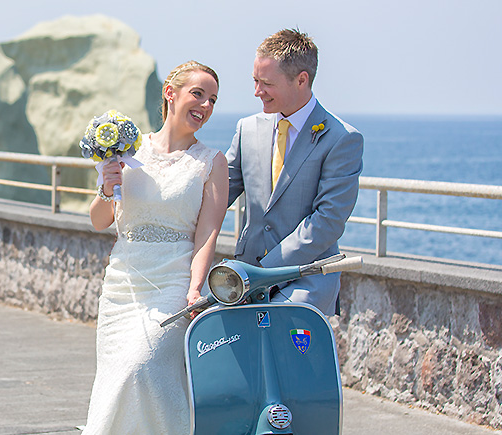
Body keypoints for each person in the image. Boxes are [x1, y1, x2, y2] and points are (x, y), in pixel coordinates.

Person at [82, 60, 228, 434]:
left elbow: (208, 233)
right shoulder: (130, 151)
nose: (206, 106)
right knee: (116, 380)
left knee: (142, 370)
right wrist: (106, 185)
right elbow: (100, 220)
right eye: (198, 94)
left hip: (172, 286)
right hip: (122, 287)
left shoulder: (212, 162)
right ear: (170, 94)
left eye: (212, 100)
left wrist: (196, 288)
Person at [226, 29, 363, 316]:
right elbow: (218, 193)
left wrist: (265, 270)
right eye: (255, 80)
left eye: (267, 83)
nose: (257, 92)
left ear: (301, 80)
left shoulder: (342, 139)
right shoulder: (247, 129)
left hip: (306, 281)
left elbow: (328, 221)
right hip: (245, 280)